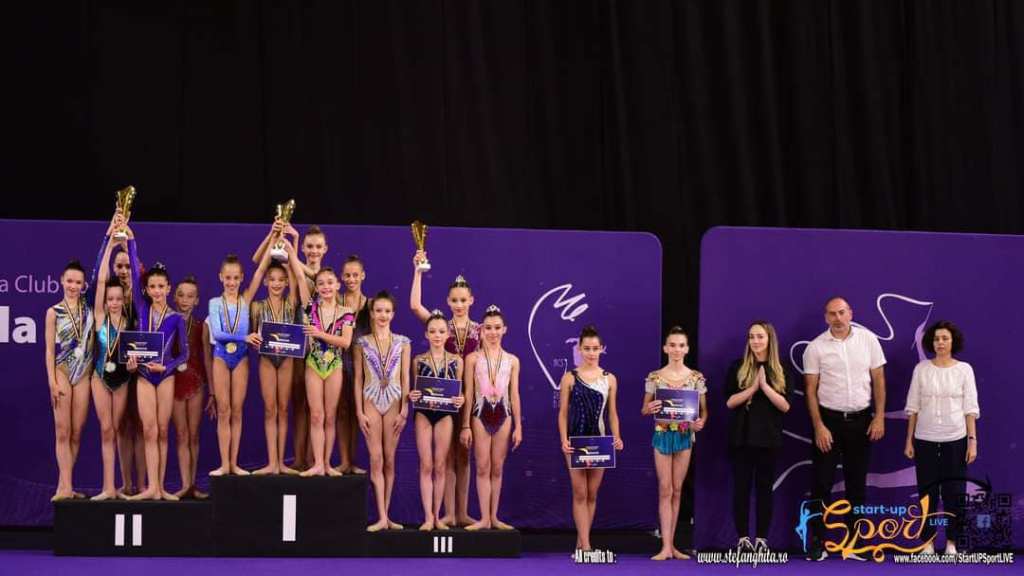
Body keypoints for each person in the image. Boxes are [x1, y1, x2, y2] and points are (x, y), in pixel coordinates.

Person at [803, 297, 886, 561]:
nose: (837, 318)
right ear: (825, 317)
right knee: (821, 483)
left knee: (857, 484)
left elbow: (878, 379)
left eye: (841, 312)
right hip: (828, 422)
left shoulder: (869, 340)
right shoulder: (815, 347)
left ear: (851, 313)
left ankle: (856, 542)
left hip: (862, 421)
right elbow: (810, 390)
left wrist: (879, 417)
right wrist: (819, 426)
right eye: (832, 314)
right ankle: (818, 541)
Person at [410, 256, 479, 526]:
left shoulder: (480, 330)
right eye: (455, 300)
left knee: (465, 454)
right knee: (445, 456)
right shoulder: (440, 326)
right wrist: (417, 271)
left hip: (468, 397)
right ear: (448, 302)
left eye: (463, 300)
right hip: (439, 400)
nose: (459, 305)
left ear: (471, 300)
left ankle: (462, 512)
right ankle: (447, 513)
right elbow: (415, 306)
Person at [904, 320, 979, 555]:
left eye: (945, 338)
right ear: (931, 343)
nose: (940, 343)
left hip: (956, 439)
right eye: (936, 339)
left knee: (954, 493)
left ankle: (952, 543)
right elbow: (913, 407)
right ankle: (927, 542)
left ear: (953, 341)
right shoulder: (921, 369)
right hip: (924, 439)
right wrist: (909, 440)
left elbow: (970, 408)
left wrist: (972, 441)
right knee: (927, 493)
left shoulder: (964, 370)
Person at [126, 233, 189, 500]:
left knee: (163, 431)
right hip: (142, 375)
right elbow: (133, 269)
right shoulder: (141, 308)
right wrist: (130, 241)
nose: (156, 291)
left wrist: (168, 367)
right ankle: (151, 487)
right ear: (147, 289)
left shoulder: (176, 318)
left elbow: (184, 353)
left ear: (168, 288)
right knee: (149, 430)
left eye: (161, 286)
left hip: (165, 376)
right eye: (152, 286)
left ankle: (161, 487)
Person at [642, 326, 707, 560]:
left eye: (681, 345)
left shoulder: (696, 378)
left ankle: (672, 544)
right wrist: (649, 408)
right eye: (672, 345)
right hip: (662, 435)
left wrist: (700, 422)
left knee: (677, 489)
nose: (677, 349)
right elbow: (644, 408)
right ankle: (665, 546)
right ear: (665, 348)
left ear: (687, 349)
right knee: (665, 488)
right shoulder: (655, 377)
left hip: (684, 436)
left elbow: (703, 411)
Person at [725, 322, 791, 552]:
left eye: (760, 336)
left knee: (764, 490)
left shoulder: (780, 368)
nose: (755, 341)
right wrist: (752, 389)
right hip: (741, 438)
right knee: (741, 490)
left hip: (769, 439)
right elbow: (730, 402)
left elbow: (785, 406)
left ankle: (762, 539)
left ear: (769, 339)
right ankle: (743, 539)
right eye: (752, 337)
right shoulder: (738, 366)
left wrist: (765, 387)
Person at [558, 326, 623, 552]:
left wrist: (617, 437)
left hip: (600, 442)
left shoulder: (609, 379)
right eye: (587, 349)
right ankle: (586, 547)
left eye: (595, 349)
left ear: (602, 349)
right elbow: (563, 413)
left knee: (592, 494)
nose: (591, 353)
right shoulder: (570, 378)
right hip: (575, 441)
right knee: (580, 493)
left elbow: (612, 413)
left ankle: (582, 541)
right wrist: (564, 439)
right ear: (579, 349)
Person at [461, 305, 523, 531]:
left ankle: (494, 518)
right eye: (488, 328)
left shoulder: (512, 360)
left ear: (504, 329)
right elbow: (468, 393)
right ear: (481, 330)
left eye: (497, 328)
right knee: (482, 467)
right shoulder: (472, 358)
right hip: (479, 414)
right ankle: (484, 518)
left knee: (497, 468)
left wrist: (518, 426)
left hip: (504, 416)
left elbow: (514, 395)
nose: (493, 332)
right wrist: (465, 425)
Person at [246, 239, 304, 476]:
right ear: (265, 282)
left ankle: (281, 462)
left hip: (287, 359)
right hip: (267, 360)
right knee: (270, 409)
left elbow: (298, 278)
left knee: (283, 408)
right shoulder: (257, 306)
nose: (277, 283)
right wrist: (252, 338)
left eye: (281, 280)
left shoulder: (291, 303)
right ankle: (272, 462)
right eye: (272, 279)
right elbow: (250, 333)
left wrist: (289, 251)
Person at [354, 291, 410, 531]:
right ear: (371, 313)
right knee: (375, 459)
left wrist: (405, 408)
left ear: (393, 314)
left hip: (395, 401)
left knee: (389, 459)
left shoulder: (403, 342)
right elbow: (358, 379)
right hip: (370, 400)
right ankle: (381, 516)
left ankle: (387, 516)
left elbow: (406, 377)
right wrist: (359, 411)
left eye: (387, 311)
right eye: (378, 311)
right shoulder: (362, 343)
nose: (383, 315)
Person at [408, 310, 466, 530]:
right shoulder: (418, 360)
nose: (437, 335)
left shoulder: (456, 361)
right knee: (426, 464)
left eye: (441, 331)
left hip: (445, 415)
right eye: (432, 331)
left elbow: (460, 390)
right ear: (426, 334)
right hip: (424, 413)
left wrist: (461, 399)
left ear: (448, 334)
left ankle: (437, 515)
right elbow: (415, 389)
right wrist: (412, 395)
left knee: (440, 465)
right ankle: (427, 517)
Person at [88, 227, 133, 501]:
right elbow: (102, 279)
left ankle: (119, 486)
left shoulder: (129, 320)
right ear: (104, 300)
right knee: (105, 430)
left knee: (116, 430)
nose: (114, 303)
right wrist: (109, 245)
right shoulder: (99, 316)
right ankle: (108, 487)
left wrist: (128, 245)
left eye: (118, 299)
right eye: (110, 299)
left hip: (123, 379)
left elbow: (135, 282)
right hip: (99, 377)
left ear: (123, 299)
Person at [45, 259, 94, 501]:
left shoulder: (89, 307)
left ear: (84, 285)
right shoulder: (53, 312)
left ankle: (65, 486)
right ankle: (64, 487)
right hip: (63, 371)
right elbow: (49, 351)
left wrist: (112, 243)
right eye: (70, 281)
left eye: (78, 282)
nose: (73, 286)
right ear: (62, 281)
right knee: (62, 432)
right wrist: (52, 382)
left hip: (83, 373)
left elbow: (101, 275)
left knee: (76, 433)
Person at [207, 254, 261, 476]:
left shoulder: (245, 301)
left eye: (235, 278)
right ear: (220, 277)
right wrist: (244, 337)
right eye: (227, 278)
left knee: (237, 411)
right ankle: (224, 464)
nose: (231, 282)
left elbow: (260, 272)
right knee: (224, 410)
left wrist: (274, 239)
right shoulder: (214, 303)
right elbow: (218, 333)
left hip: (241, 358)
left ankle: (234, 463)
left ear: (241, 278)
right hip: (221, 357)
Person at [299, 265, 354, 477]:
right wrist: (290, 250)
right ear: (316, 288)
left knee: (330, 417)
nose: (326, 287)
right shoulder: (310, 308)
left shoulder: (346, 312)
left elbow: (345, 342)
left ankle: (327, 464)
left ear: (338, 285)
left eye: (330, 282)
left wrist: (319, 333)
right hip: (313, 364)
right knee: (316, 416)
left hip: (334, 365)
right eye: (321, 283)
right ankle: (318, 464)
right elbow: (299, 277)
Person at [171, 275, 214, 498]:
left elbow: (207, 358)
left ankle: (193, 484)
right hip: (174, 383)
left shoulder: (201, 326)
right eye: (181, 295)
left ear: (197, 300)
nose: (185, 300)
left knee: (194, 434)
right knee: (181, 434)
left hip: (196, 382)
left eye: (190, 296)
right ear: (174, 297)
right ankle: (184, 484)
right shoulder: (167, 323)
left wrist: (213, 391)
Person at [338, 255, 370, 475]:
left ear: (363, 276)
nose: (351, 279)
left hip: (362, 365)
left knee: (358, 413)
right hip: (339, 361)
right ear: (341, 277)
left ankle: (353, 461)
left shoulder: (371, 304)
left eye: (355, 275)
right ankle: (344, 461)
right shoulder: (335, 300)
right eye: (347, 275)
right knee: (342, 412)